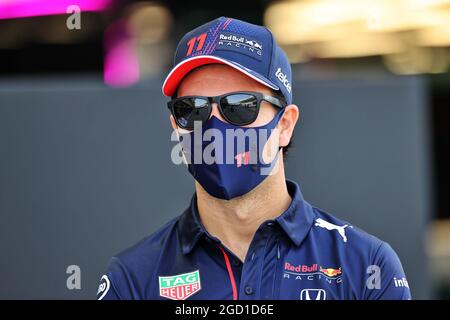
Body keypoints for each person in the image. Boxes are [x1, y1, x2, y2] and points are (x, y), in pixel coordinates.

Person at [97, 17, 411, 300]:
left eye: (239, 106)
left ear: (284, 125)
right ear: (176, 127)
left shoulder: (365, 265)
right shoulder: (133, 278)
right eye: (192, 109)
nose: (213, 125)